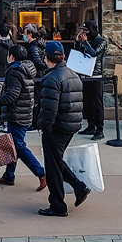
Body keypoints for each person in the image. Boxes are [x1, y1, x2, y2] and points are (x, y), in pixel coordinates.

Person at [36, 41, 89, 217]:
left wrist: (45, 127)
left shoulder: (52, 78)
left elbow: (50, 109)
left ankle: (58, 204)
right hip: (70, 125)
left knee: (53, 167)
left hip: (57, 127)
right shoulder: (72, 74)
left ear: (47, 57)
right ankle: (78, 187)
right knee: (56, 162)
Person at [0, 45, 46, 191]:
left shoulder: (14, 71)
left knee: (18, 146)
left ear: (12, 57)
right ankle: (9, 175)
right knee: (12, 145)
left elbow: (12, 94)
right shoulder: (27, 69)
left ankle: (41, 173)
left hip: (17, 114)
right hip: (23, 112)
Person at [76, 21, 107, 139]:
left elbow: (94, 53)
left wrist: (85, 42)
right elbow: (80, 54)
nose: (84, 33)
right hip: (85, 73)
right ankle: (90, 126)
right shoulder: (86, 41)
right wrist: (78, 42)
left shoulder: (101, 42)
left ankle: (99, 129)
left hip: (95, 75)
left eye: (86, 31)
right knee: (87, 102)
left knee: (96, 103)